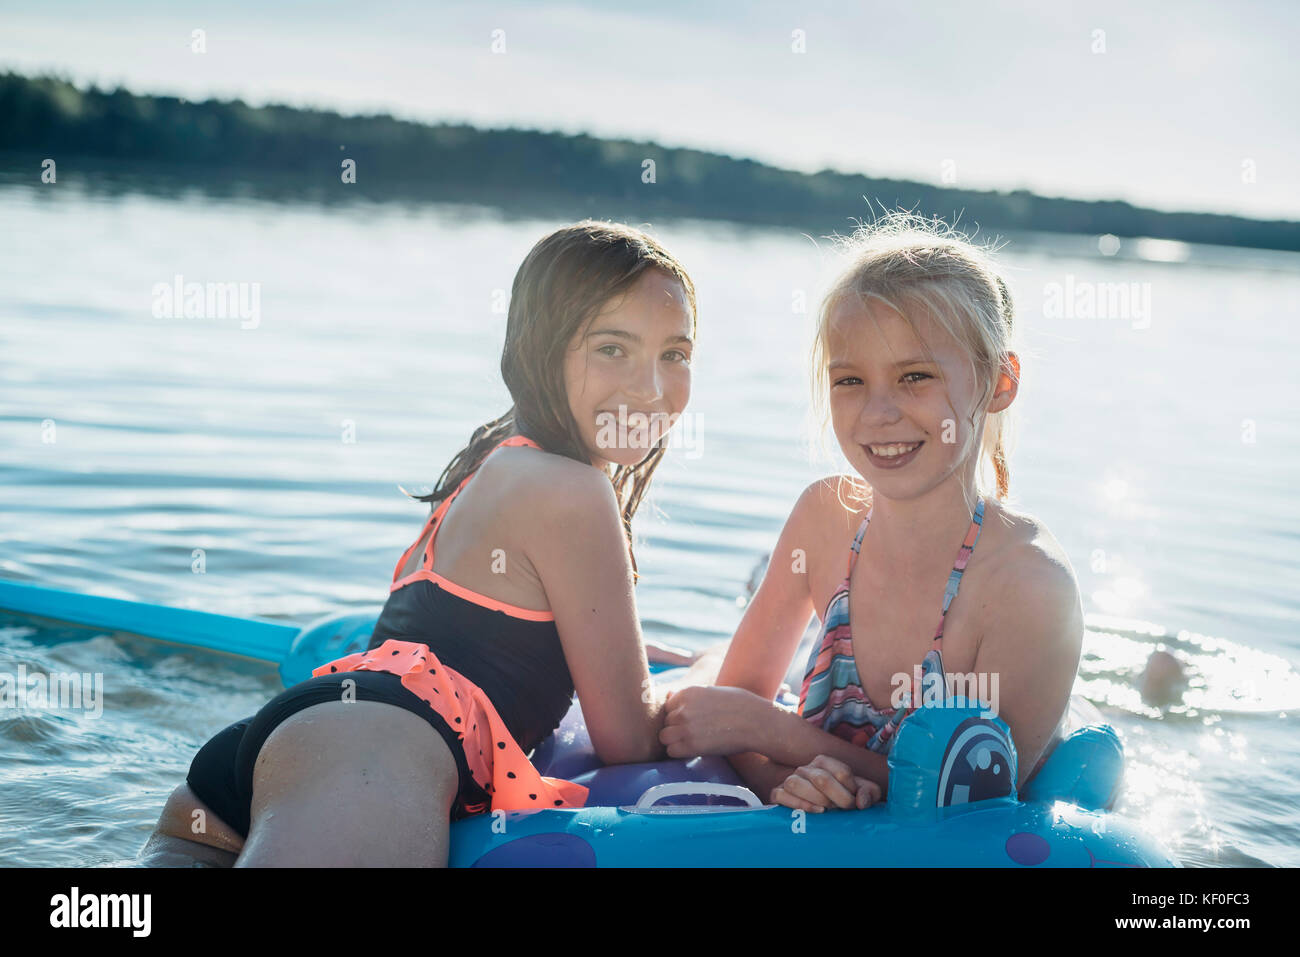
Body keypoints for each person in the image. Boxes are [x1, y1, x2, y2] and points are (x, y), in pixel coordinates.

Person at [140, 220, 710, 866]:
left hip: (255, 776)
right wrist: (720, 700)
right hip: (370, 766)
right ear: (540, 349)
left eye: (676, 354)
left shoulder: (492, 461)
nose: (651, 387)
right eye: (613, 348)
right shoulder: (573, 488)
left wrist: (638, 652)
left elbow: (494, 631)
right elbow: (626, 738)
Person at [660, 213, 1085, 814]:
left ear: (999, 381)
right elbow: (724, 721)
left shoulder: (1028, 586)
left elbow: (975, 805)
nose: (877, 412)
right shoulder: (824, 519)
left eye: (915, 376)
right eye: (850, 380)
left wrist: (779, 737)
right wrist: (776, 782)